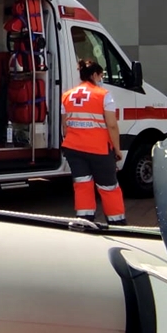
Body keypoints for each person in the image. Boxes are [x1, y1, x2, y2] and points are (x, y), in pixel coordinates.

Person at [61, 60, 126, 225]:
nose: (101, 78)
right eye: (100, 75)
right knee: (108, 186)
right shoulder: (104, 95)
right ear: (94, 75)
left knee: (82, 184)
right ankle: (116, 221)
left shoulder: (67, 95)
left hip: (73, 148)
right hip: (99, 150)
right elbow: (111, 125)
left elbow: (65, 126)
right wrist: (117, 149)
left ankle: (84, 219)